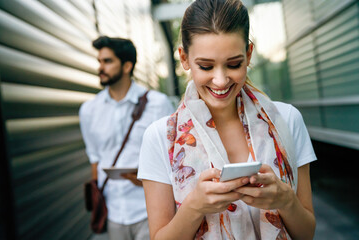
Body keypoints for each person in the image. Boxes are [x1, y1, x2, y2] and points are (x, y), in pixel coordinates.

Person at [137, 0, 317, 239]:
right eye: (205, 66)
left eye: (234, 64)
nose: (220, 81)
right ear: (184, 58)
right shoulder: (160, 137)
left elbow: (306, 234)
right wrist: (194, 206)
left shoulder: (287, 120)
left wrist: (285, 200)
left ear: (249, 54)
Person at [79, 36, 174, 240]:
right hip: (113, 212)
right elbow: (94, 159)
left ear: (127, 66)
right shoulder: (88, 110)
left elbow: (172, 156)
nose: (100, 67)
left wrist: (147, 178)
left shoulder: (158, 104)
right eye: (99, 61)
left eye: (108, 61)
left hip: (150, 209)